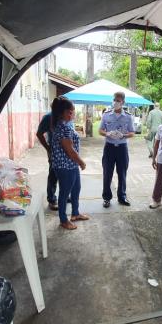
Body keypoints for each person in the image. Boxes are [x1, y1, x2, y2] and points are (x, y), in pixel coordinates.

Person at [50, 96, 89, 230]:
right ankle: (63, 220)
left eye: (73, 111)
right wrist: (81, 162)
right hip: (65, 166)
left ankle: (75, 213)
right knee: (64, 193)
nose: (73, 114)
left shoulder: (65, 124)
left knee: (76, 189)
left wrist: (77, 163)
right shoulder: (62, 127)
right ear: (63, 113)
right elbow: (70, 150)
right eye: (70, 112)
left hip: (71, 165)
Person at [99, 91, 135, 207]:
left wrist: (123, 135)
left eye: (118, 101)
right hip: (109, 148)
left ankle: (122, 197)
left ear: (123, 102)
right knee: (107, 173)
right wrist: (107, 133)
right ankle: (106, 198)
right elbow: (100, 130)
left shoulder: (128, 117)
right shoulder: (106, 114)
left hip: (122, 148)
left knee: (122, 173)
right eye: (114, 100)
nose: (115, 102)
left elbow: (132, 132)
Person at [36, 102, 59, 211]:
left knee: (65, 175)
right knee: (53, 175)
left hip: (66, 152)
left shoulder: (66, 116)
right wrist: (47, 147)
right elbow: (39, 133)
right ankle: (52, 199)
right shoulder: (49, 117)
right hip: (54, 152)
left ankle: (64, 196)